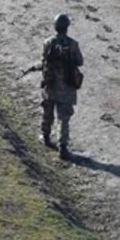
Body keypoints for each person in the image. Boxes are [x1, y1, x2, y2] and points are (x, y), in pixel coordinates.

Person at [38, 14, 83, 160]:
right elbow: (80, 61)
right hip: (67, 87)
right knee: (64, 119)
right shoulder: (73, 44)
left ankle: (45, 136)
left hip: (51, 85)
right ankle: (63, 147)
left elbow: (44, 60)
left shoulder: (48, 42)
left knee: (48, 113)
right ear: (66, 28)